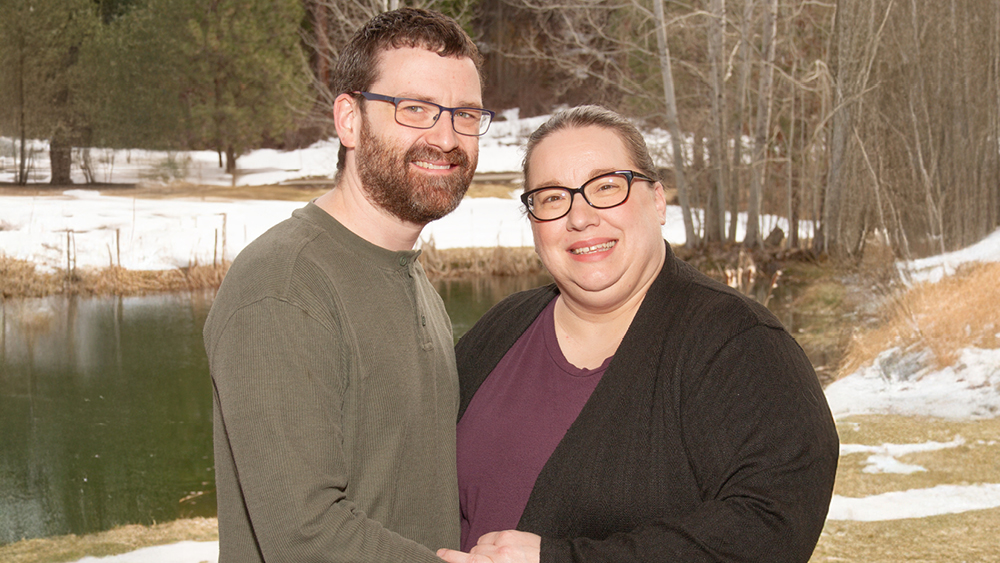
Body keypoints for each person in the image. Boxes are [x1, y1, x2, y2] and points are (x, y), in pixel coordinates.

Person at [437, 106, 839, 563]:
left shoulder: (739, 343)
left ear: (658, 200)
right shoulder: (502, 328)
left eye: (607, 186)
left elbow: (772, 526)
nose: (580, 217)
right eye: (551, 198)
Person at [203, 8, 493, 563]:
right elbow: (303, 537)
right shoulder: (285, 284)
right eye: (416, 109)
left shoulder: (409, 278)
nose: (447, 136)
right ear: (349, 121)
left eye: (466, 114)